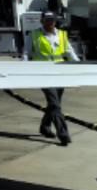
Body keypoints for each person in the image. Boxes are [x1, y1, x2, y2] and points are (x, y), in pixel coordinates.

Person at [24, 11, 79, 146]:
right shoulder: (34, 35)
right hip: (42, 74)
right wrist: (23, 70)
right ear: (42, 21)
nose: (50, 23)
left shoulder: (61, 34)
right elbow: (26, 53)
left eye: (52, 20)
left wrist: (79, 66)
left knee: (55, 103)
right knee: (55, 104)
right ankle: (63, 134)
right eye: (47, 20)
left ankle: (44, 127)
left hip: (59, 73)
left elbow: (69, 51)